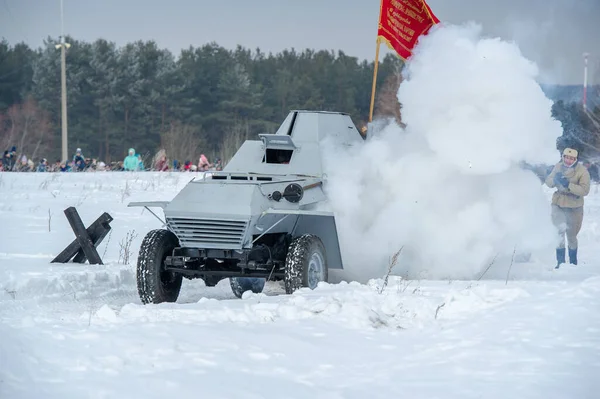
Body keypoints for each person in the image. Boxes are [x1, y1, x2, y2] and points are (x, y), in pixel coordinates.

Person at [545, 147, 591, 268]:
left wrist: (569, 185)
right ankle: (560, 263)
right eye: (567, 157)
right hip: (558, 203)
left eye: (572, 159)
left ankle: (572, 263)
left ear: (575, 159)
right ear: (563, 157)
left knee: (571, 236)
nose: (569, 160)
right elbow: (548, 182)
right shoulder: (558, 167)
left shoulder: (582, 171)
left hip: (574, 206)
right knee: (558, 232)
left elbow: (585, 190)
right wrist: (554, 180)